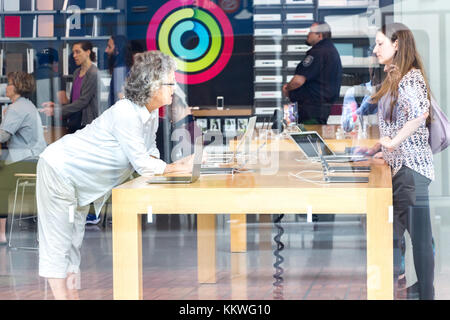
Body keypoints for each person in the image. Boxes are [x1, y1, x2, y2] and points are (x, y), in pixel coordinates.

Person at [36, 50, 193, 300]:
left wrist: (172, 166)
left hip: (78, 179)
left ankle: (70, 295)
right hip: (60, 168)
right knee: (58, 237)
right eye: (170, 82)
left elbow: (149, 153)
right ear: (152, 85)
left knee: (74, 236)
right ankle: (61, 297)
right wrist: (174, 167)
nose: (174, 88)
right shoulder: (126, 113)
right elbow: (142, 163)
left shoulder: (150, 114)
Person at [367, 23, 435, 300]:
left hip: (412, 170)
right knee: (407, 237)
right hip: (403, 167)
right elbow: (400, 120)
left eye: (380, 43)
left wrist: (393, 143)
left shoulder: (411, 77)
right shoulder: (397, 76)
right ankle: (418, 291)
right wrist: (387, 150)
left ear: (397, 45)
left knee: (414, 238)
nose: (374, 49)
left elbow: (419, 115)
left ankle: (423, 293)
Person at [0, 72, 47, 244]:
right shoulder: (26, 105)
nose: (7, 87)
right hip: (34, 160)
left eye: (10, 83)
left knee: (1, 185)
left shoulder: (17, 108)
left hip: (26, 161)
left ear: (18, 87)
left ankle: (2, 234)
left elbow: (3, 136)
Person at [282, 22, 342, 124]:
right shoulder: (330, 50)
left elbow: (298, 81)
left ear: (320, 35)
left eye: (311, 32)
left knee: (308, 137)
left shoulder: (318, 52)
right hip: (320, 108)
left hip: (311, 110)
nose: (308, 34)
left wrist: (287, 88)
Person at [40, 41, 99, 134]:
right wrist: (57, 106)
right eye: (73, 52)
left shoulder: (93, 73)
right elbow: (74, 101)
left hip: (86, 124)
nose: (74, 55)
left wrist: (57, 111)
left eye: (78, 52)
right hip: (73, 122)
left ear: (88, 52)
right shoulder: (76, 72)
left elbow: (83, 101)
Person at [32, 47, 67, 128]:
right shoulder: (57, 77)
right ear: (55, 62)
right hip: (52, 122)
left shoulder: (30, 76)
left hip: (33, 120)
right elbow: (63, 101)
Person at [105, 35, 128, 106]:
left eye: (109, 47)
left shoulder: (120, 70)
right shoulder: (122, 68)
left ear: (117, 50)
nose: (106, 50)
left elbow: (119, 98)